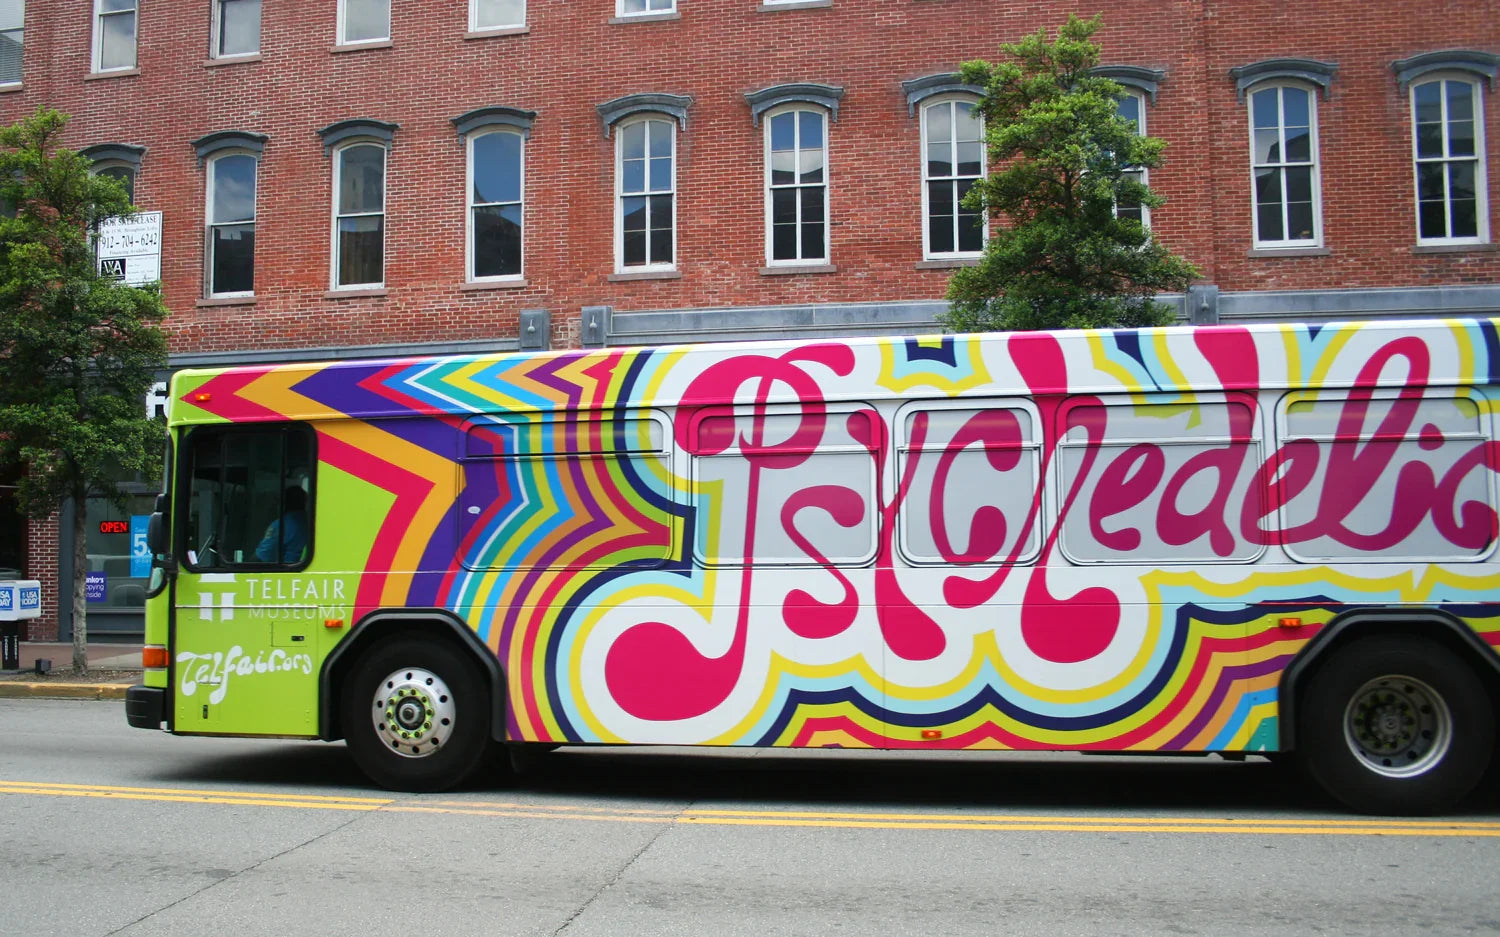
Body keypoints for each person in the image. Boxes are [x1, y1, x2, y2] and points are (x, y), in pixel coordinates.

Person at [255, 486, 308, 562]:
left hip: (287, 568)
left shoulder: (281, 525)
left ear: (284, 503)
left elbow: (260, 557)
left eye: (277, 502)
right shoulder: (311, 522)